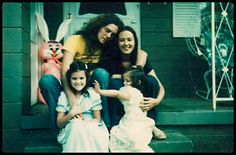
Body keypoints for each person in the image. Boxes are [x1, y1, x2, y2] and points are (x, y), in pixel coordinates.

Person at [39, 13, 124, 135]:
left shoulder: (108, 48)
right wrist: (72, 100)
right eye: (107, 30)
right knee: (46, 81)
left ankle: (106, 126)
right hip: (70, 84)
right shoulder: (76, 40)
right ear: (98, 26)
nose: (108, 36)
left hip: (90, 90)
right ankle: (58, 130)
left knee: (101, 73)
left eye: (113, 35)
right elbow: (65, 71)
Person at [103, 25, 166, 139]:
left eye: (129, 39)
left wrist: (156, 101)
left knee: (150, 81)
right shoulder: (111, 59)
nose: (126, 43)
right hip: (123, 107)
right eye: (122, 40)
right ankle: (116, 125)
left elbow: (160, 86)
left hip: (141, 106)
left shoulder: (141, 56)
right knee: (115, 83)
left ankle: (151, 125)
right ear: (117, 43)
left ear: (135, 41)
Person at [94, 65, 155, 152]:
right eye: (124, 80)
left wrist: (100, 91)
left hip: (130, 121)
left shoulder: (129, 92)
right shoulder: (139, 93)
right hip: (140, 120)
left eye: (127, 81)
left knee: (122, 136)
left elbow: (116, 94)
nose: (124, 83)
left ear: (137, 82)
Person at [56, 61, 109, 152]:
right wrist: (71, 113)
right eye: (74, 78)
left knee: (89, 129)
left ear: (86, 79)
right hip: (73, 126)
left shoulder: (91, 94)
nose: (78, 82)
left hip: (91, 123)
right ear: (69, 79)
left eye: (81, 78)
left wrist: (86, 124)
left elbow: (97, 118)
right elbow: (59, 124)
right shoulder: (64, 96)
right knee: (76, 125)